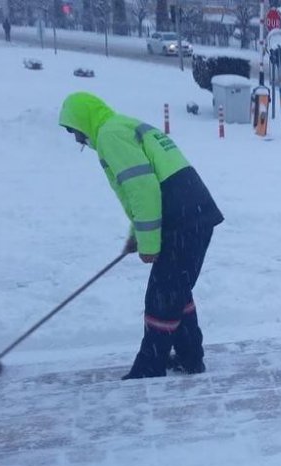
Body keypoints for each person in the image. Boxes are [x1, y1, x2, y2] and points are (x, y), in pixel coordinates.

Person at [59, 92, 224, 380]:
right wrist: (137, 235)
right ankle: (190, 357)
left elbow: (144, 190)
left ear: (84, 121)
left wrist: (148, 243)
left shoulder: (110, 135)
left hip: (182, 217)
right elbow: (144, 190)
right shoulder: (121, 125)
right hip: (192, 211)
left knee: (162, 295)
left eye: (76, 132)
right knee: (176, 288)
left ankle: (150, 366)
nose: (77, 140)